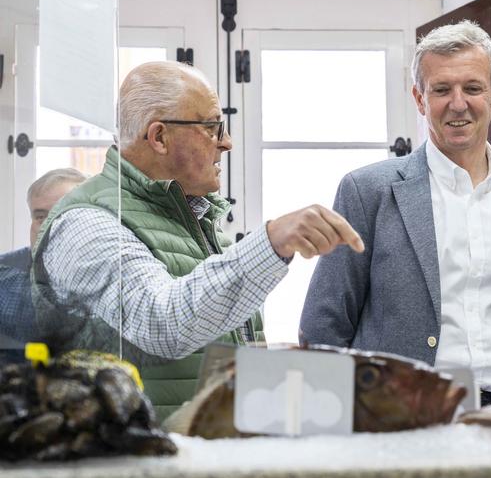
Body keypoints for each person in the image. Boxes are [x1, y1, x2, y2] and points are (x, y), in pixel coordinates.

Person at [32, 61, 363, 419]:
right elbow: (161, 323)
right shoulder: (86, 223)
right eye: (211, 127)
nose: (226, 142)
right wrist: (269, 242)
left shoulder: (191, 217)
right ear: (158, 136)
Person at [300, 21, 491, 404]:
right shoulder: (367, 192)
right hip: (399, 409)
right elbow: (324, 322)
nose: (457, 103)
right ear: (419, 98)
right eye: (441, 89)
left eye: (473, 88)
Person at [0, 168, 86, 361]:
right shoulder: (3, 277)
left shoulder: (113, 275)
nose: (49, 227)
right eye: (40, 217)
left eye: (62, 215)